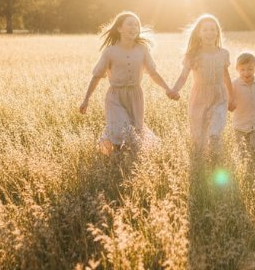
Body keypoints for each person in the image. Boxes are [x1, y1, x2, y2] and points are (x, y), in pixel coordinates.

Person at [80, 11, 177, 154]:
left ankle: (124, 158)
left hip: (135, 96)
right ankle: (115, 157)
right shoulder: (110, 52)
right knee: (121, 128)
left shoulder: (142, 50)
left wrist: (167, 89)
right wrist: (86, 99)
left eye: (137, 25)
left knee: (135, 130)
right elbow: (96, 76)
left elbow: (153, 73)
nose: (134, 28)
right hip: (115, 96)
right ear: (119, 28)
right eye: (130, 24)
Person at [170, 14, 235, 159]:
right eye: (205, 30)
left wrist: (232, 97)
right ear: (199, 33)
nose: (209, 33)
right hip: (199, 98)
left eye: (212, 29)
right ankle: (200, 160)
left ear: (217, 32)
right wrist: (174, 90)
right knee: (198, 134)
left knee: (215, 132)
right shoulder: (193, 55)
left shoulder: (224, 54)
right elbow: (183, 76)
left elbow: (226, 76)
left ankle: (216, 159)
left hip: (220, 97)